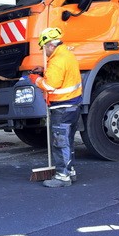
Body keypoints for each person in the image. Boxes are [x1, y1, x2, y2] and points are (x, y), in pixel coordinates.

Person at [28, 27, 82, 188]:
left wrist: (35, 79)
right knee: (68, 141)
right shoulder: (67, 55)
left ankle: (62, 176)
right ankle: (69, 171)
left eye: (44, 48)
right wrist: (44, 70)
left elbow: (50, 85)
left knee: (60, 142)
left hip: (62, 108)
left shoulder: (57, 60)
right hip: (72, 106)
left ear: (50, 45)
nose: (44, 52)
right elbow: (61, 75)